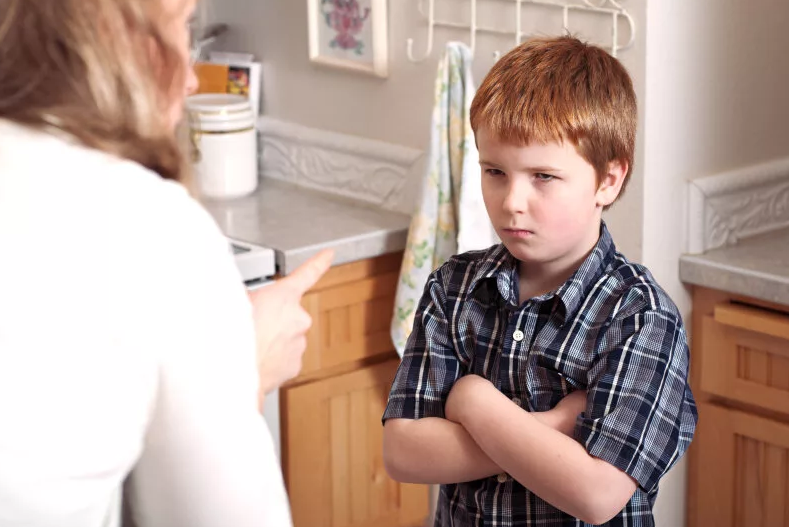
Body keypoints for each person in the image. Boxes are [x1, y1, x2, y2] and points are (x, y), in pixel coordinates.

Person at [0, 0, 332, 526]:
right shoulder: (142, 223)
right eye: (182, 25)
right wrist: (246, 367)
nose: (191, 79)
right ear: (125, 34)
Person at [382, 36, 698, 526]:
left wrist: (474, 402)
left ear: (608, 181)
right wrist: (551, 426)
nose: (512, 201)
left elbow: (596, 493)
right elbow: (403, 452)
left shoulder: (640, 317)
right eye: (495, 171)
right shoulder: (454, 288)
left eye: (543, 177)